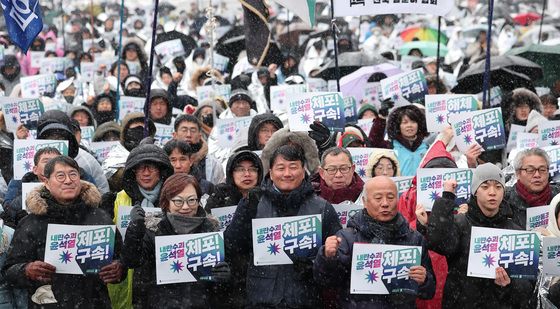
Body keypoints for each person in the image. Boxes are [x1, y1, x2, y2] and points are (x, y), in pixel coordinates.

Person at [225, 145, 342, 308]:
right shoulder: (254, 202)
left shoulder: (322, 207)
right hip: (262, 299)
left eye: (293, 167)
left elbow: (339, 257)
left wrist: (318, 260)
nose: (287, 174)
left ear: (303, 171)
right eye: (281, 168)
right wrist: (245, 214)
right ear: (271, 173)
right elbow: (233, 247)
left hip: (305, 299)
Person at [3, 156, 124, 308]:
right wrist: (26, 270)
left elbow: (120, 259)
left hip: (94, 302)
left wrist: (118, 268)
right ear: (46, 182)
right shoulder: (31, 222)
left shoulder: (100, 218)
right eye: (60, 176)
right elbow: (9, 271)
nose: (68, 181)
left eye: (73, 174)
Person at [314, 176, 436, 308]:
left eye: (390, 197)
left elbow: (429, 292)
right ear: (365, 202)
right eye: (378, 198)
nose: (385, 203)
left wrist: (424, 281)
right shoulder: (347, 238)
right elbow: (326, 281)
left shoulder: (414, 238)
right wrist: (327, 257)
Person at [427, 163, 534, 308]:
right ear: (475, 191)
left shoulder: (514, 232)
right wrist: (447, 197)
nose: (492, 192)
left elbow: (527, 286)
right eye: (485, 186)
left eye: (498, 187)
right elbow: (438, 243)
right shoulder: (461, 223)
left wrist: (509, 284)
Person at [121, 173, 230, 308]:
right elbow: (131, 261)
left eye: (191, 200)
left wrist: (223, 277)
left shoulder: (211, 231)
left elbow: (220, 290)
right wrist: (135, 228)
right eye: (178, 201)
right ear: (166, 202)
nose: (185, 207)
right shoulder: (154, 230)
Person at [2, 147, 61, 227]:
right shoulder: (21, 182)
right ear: (35, 170)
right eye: (46, 161)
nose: (51, 165)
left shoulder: (70, 185)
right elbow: (8, 211)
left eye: (56, 162)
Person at [368, 102, 429, 176]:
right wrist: (381, 118)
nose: (409, 125)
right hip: (398, 186)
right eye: (405, 122)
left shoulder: (427, 147)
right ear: (398, 126)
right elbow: (374, 142)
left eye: (413, 122)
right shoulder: (391, 146)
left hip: (420, 187)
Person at [505, 148, 560, 229]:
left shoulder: (557, 197)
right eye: (530, 170)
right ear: (518, 173)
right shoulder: (505, 199)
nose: (537, 175)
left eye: (542, 170)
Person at [172, 114, 224, 184]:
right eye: (184, 130)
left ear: (200, 136)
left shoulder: (213, 164)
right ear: (175, 135)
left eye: (193, 131)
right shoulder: (165, 158)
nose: (188, 135)